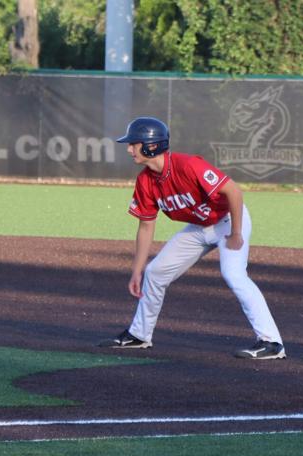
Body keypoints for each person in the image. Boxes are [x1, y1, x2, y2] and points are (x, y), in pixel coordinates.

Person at [99, 116, 286, 360]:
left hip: (228, 220)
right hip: (199, 226)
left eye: (133, 143)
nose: (129, 149)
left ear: (151, 145)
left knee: (234, 274)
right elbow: (146, 226)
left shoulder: (187, 165)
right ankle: (139, 335)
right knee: (155, 272)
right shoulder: (145, 181)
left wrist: (237, 233)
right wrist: (137, 270)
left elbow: (233, 191)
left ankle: (272, 343)